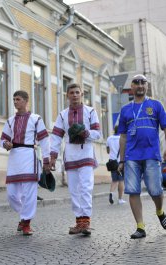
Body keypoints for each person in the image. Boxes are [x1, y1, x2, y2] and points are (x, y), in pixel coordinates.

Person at [118, 74, 166, 239]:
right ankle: (140, 227)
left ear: (147, 86)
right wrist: (121, 160)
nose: (140, 85)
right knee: (133, 191)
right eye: (136, 82)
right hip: (131, 157)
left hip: (151, 155)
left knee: (155, 190)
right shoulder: (126, 109)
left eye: (143, 82)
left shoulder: (156, 105)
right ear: (131, 87)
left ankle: (160, 211)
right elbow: (123, 137)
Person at [50, 83, 101, 236]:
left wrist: (86, 133)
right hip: (70, 155)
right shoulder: (62, 114)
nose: (74, 95)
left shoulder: (91, 111)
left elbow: (98, 134)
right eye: (71, 92)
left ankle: (85, 222)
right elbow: (56, 136)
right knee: (74, 190)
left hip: (86, 153)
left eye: (77, 92)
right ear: (67, 95)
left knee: (86, 187)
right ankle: (79, 221)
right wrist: (53, 156)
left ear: (82, 94)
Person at [0, 90, 50, 235]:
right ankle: (24, 216)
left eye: (18, 99)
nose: (15, 102)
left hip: (29, 156)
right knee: (12, 195)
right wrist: (5, 144)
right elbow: (2, 139)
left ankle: (26, 222)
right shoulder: (10, 120)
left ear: (26, 101)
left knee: (29, 192)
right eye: (14, 99)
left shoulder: (36, 119)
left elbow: (44, 140)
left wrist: (46, 160)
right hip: (14, 156)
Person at [106, 125, 126, 205]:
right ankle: (120, 199)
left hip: (112, 162)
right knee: (121, 180)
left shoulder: (109, 138)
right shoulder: (122, 139)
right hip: (119, 162)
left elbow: (108, 151)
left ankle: (111, 193)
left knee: (114, 180)